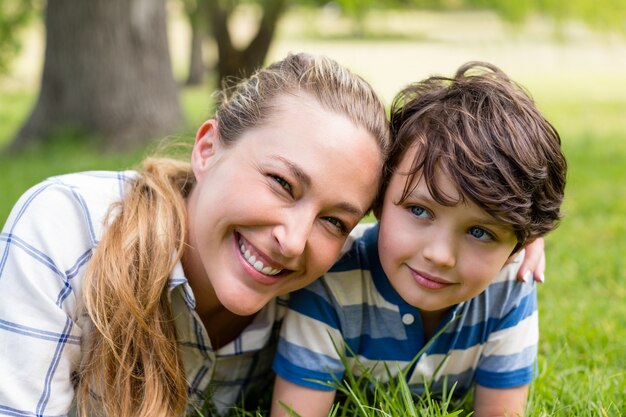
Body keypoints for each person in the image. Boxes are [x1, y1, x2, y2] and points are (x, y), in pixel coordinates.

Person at [0, 53, 391, 417]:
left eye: (334, 222)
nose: (293, 241)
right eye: (281, 183)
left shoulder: (331, 294)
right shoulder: (66, 231)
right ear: (207, 150)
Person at [271, 62, 567, 417]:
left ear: (516, 248)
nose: (440, 255)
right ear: (379, 199)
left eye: (480, 232)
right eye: (419, 210)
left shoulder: (509, 286)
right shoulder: (333, 281)